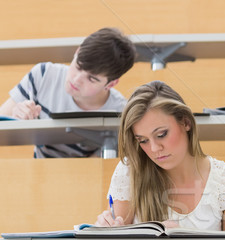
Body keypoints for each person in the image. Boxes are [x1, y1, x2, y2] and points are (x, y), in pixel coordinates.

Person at [95, 81, 225, 240]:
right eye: (142, 140)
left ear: (186, 122)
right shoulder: (130, 171)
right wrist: (106, 235)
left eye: (161, 134)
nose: (154, 148)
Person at [0, 27, 136, 158]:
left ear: (111, 84)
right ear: (77, 52)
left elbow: (97, 170)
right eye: (78, 66)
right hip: (39, 171)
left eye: (91, 79)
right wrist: (16, 117)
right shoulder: (43, 75)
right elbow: (2, 120)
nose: (76, 80)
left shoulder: (120, 114)